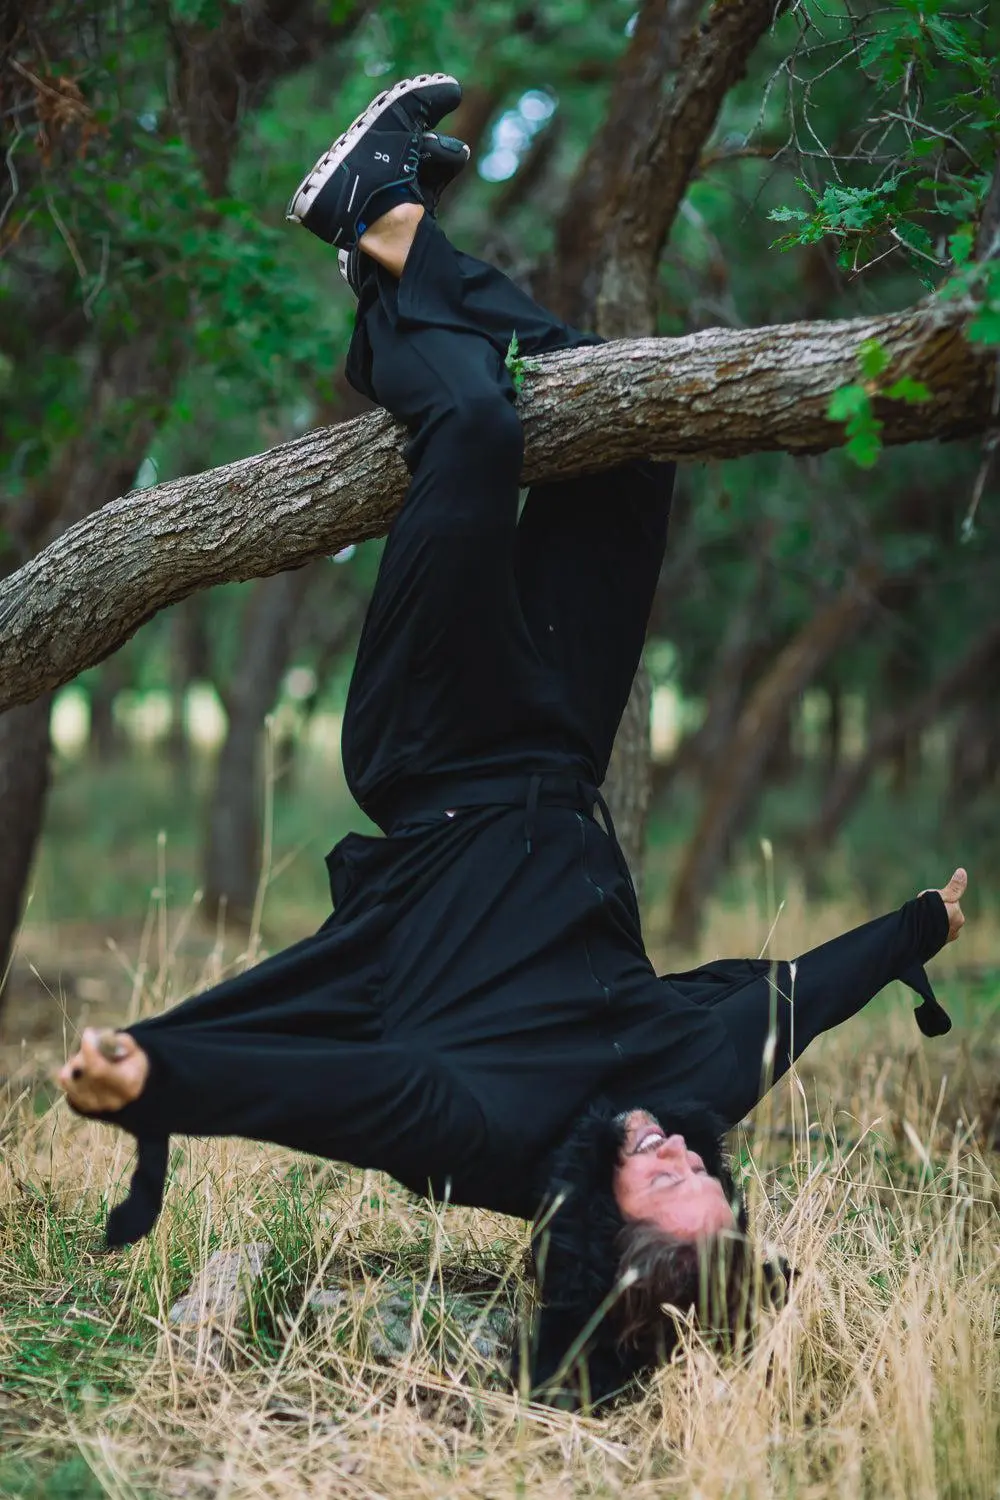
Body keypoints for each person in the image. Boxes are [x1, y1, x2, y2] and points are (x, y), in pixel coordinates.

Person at [57, 76, 968, 1408]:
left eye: (667, 1194)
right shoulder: (691, 1094)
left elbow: (332, 1098)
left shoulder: (487, 1135)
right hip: (558, 741)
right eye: (713, 1184)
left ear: (601, 1228)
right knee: (632, 438)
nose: (687, 1163)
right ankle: (385, 261)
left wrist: (158, 1078)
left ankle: (388, 239)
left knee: (476, 429)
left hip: (433, 749)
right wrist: (913, 935)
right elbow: (793, 1004)